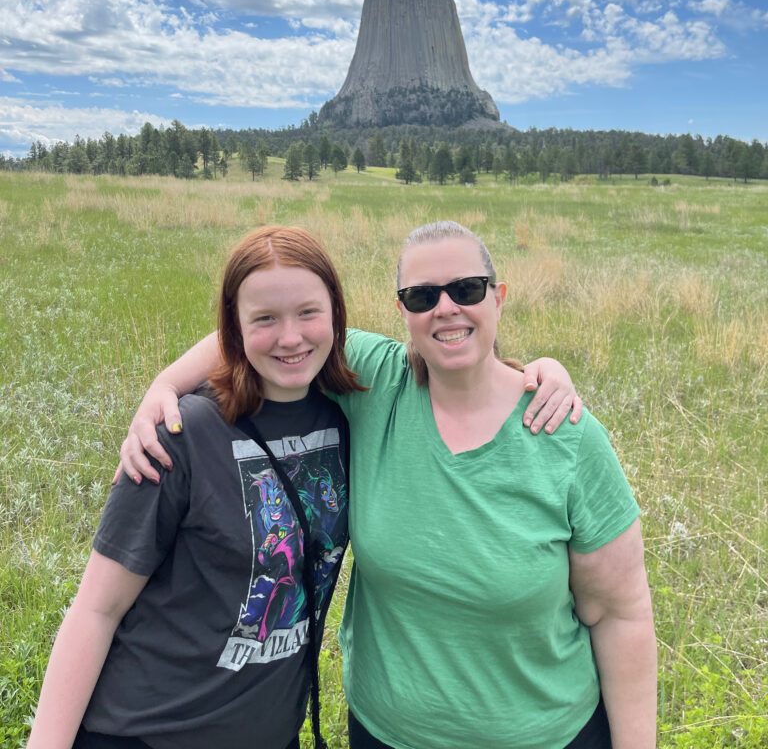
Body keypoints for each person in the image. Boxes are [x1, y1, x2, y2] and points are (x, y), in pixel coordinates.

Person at [119, 221, 655, 749]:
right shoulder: (379, 382)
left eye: (467, 289)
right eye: (422, 296)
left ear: (499, 297)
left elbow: (620, 615)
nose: (446, 308)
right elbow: (267, 335)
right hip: (383, 734)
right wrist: (163, 386)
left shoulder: (564, 433)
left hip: (546, 737)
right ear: (402, 311)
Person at [28, 226, 364, 749]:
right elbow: (96, 608)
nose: (291, 337)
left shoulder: (351, 415)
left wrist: (539, 374)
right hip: (146, 733)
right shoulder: (180, 434)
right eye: (265, 319)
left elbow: (456, 372)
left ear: (337, 312)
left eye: (307, 312)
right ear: (235, 326)